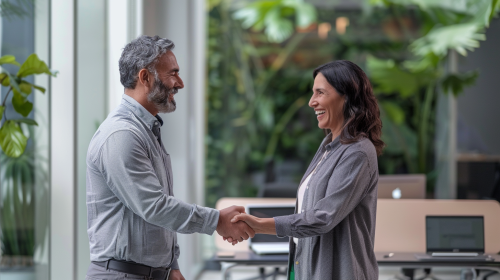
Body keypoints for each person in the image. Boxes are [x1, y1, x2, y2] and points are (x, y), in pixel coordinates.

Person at [85, 35, 254, 280]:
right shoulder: (122, 135)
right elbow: (154, 206)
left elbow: (153, 212)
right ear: (145, 77)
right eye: (172, 73)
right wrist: (216, 220)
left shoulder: (145, 131)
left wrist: (171, 265)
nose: (180, 83)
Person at [228, 60, 385, 279]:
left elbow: (322, 217)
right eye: (313, 93)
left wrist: (260, 225)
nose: (312, 102)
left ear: (346, 97)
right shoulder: (328, 147)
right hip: (307, 268)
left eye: (320, 93)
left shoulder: (357, 152)